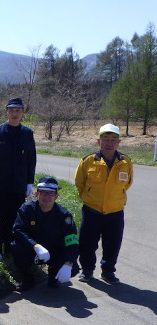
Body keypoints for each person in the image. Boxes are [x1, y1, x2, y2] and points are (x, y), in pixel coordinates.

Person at [74, 124, 133, 284]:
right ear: (99, 141)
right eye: (106, 139)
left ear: (118, 142)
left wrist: (115, 197)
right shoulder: (88, 161)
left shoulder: (125, 162)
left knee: (112, 244)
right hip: (92, 210)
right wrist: (88, 197)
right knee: (87, 243)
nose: (109, 143)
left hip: (115, 211)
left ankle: (108, 271)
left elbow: (127, 183)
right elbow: (80, 183)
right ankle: (87, 271)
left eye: (113, 140)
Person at [11, 177, 80, 291]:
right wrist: (35, 246)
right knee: (16, 247)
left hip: (55, 252)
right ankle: (28, 280)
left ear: (56, 196)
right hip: (33, 250)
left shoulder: (64, 215)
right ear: (36, 194)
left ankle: (53, 276)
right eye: (43, 193)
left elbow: (72, 241)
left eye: (51, 193)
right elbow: (18, 230)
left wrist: (68, 263)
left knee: (73, 268)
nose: (47, 196)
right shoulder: (26, 209)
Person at [0, 97, 36, 252]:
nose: (14, 114)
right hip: (0, 185)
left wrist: (29, 182)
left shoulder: (27, 133)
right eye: (11, 110)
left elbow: (31, 159)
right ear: (6, 112)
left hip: (19, 185)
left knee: (16, 217)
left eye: (18, 110)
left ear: (23, 112)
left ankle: (12, 248)